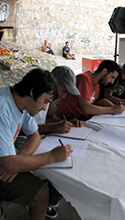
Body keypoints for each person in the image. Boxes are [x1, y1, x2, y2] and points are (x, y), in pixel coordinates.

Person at [0, 68, 73, 220]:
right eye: (45, 101)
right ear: (33, 92)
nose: (45, 108)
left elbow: (35, 136)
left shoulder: (22, 104)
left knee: (41, 192)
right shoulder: (3, 107)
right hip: (3, 169)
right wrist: (51, 156)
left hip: (5, 166)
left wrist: (18, 162)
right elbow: (10, 164)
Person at [56, 60, 125, 121]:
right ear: (104, 71)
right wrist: (112, 110)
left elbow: (89, 103)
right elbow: (87, 109)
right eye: (112, 77)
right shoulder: (84, 79)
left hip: (79, 120)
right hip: (65, 121)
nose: (112, 82)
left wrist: (102, 102)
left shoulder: (97, 85)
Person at [35, 66, 83, 134]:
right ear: (55, 81)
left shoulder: (51, 97)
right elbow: (24, 129)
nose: (63, 97)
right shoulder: (33, 96)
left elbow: (49, 118)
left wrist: (65, 123)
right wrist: (52, 128)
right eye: (64, 91)